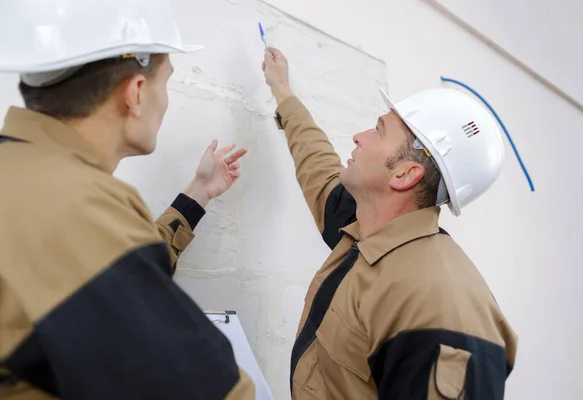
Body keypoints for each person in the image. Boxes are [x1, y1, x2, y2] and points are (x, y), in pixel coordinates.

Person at [0, 1, 255, 399]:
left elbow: (108, 272)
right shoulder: (80, 206)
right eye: (166, 81)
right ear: (136, 92)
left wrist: (199, 193)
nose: (165, 99)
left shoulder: (23, 174)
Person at [262, 47, 517, 400]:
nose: (359, 136)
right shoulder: (364, 229)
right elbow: (319, 169)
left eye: (379, 130)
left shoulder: (441, 307)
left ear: (404, 173)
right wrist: (283, 93)